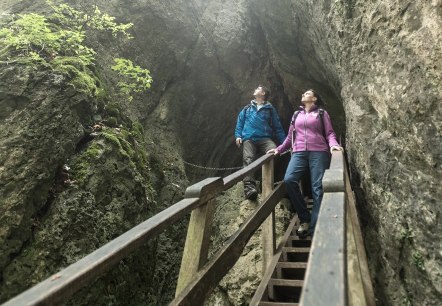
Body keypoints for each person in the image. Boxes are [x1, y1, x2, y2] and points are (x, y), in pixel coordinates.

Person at [267, 89, 342, 237]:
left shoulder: (321, 113)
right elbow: (290, 137)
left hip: (319, 151)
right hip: (299, 151)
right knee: (289, 180)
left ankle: (314, 229)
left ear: (314, 99)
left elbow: (329, 133)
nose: (303, 94)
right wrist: (279, 149)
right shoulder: (296, 115)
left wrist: (333, 144)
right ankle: (305, 219)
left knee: (317, 188)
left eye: (307, 93)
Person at [234, 85, 286, 200]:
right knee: (248, 159)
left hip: (265, 139)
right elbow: (240, 122)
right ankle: (249, 188)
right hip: (249, 138)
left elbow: (278, 127)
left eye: (258, 88)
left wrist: (285, 144)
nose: (255, 89)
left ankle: (267, 184)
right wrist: (238, 135)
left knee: (273, 151)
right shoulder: (247, 108)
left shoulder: (270, 109)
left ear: (263, 93)